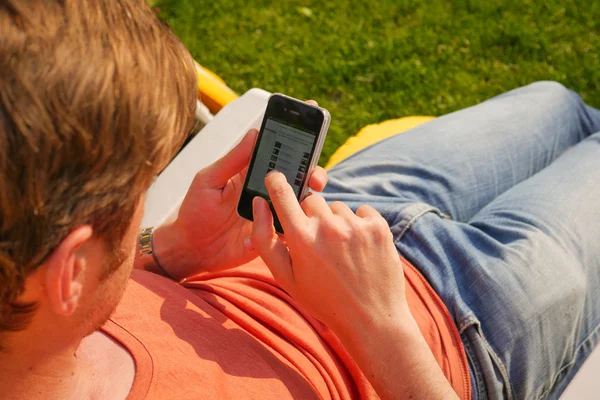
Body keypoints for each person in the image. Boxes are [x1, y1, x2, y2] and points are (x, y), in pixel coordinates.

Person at [0, 1, 598, 399]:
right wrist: (382, 329)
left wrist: (171, 250)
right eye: (138, 192)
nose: (147, 203)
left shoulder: (34, 281)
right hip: (461, 323)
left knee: (556, 103)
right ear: (71, 268)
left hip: (335, 216)